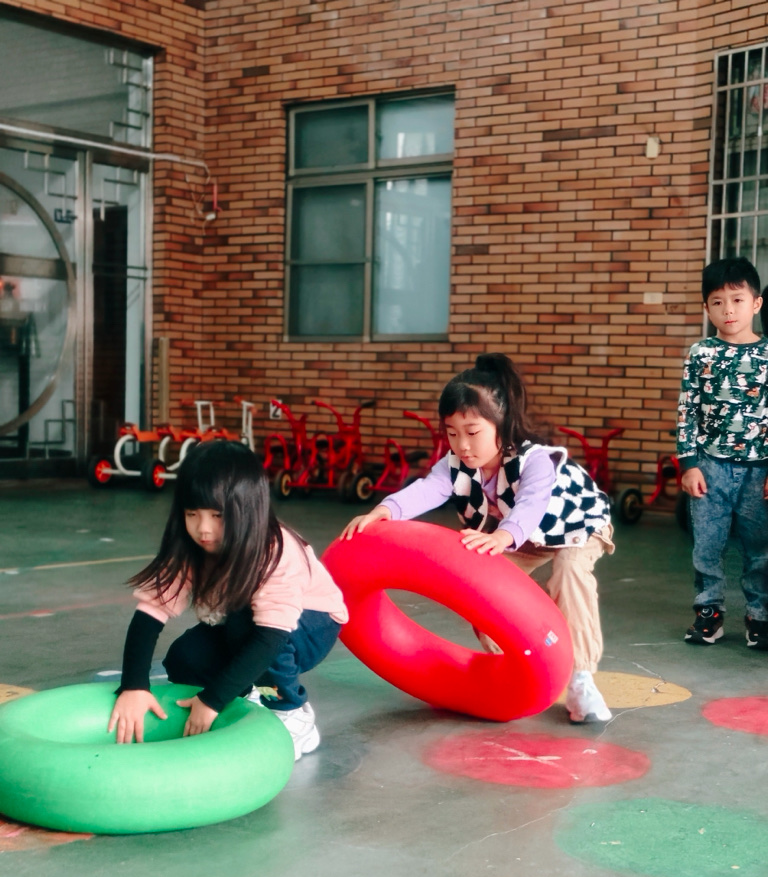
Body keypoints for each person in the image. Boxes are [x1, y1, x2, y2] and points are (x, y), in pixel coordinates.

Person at [341, 353, 614, 724]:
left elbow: (532, 503)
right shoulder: (455, 465)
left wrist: (503, 535)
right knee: (483, 586)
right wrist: (385, 510)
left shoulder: (536, 459)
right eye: (452, 433)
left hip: (575, 526)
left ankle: (581, 678)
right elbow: (427, 489)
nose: (462, 445)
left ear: (501, 423)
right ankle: (514, 666)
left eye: (472, 432)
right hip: (518, 538)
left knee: (569, 572)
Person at [108, 440, 348, 759]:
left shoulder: (274, 551)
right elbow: (150, 614)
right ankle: (245, 694)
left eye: (217, 515)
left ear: (247, 510)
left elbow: (270, 637)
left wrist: (212, 701)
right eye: (192, 514)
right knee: (185, 658)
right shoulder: (191, 548)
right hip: (241, 621)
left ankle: (291, 712)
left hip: (309, 624)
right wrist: (134, 686)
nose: (203, 529)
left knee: (246, 629)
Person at [677, 256, 768, 648]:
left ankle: (759, 616)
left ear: (756, 303)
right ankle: (708, 613)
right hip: (710, 467)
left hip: (759, 471)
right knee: (707, 546)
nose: (728, 310)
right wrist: (689, 464)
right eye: (717, 302)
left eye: (737, 300)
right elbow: (687, 411)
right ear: (706, 308)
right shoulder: (701, 353)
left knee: (760, 549)